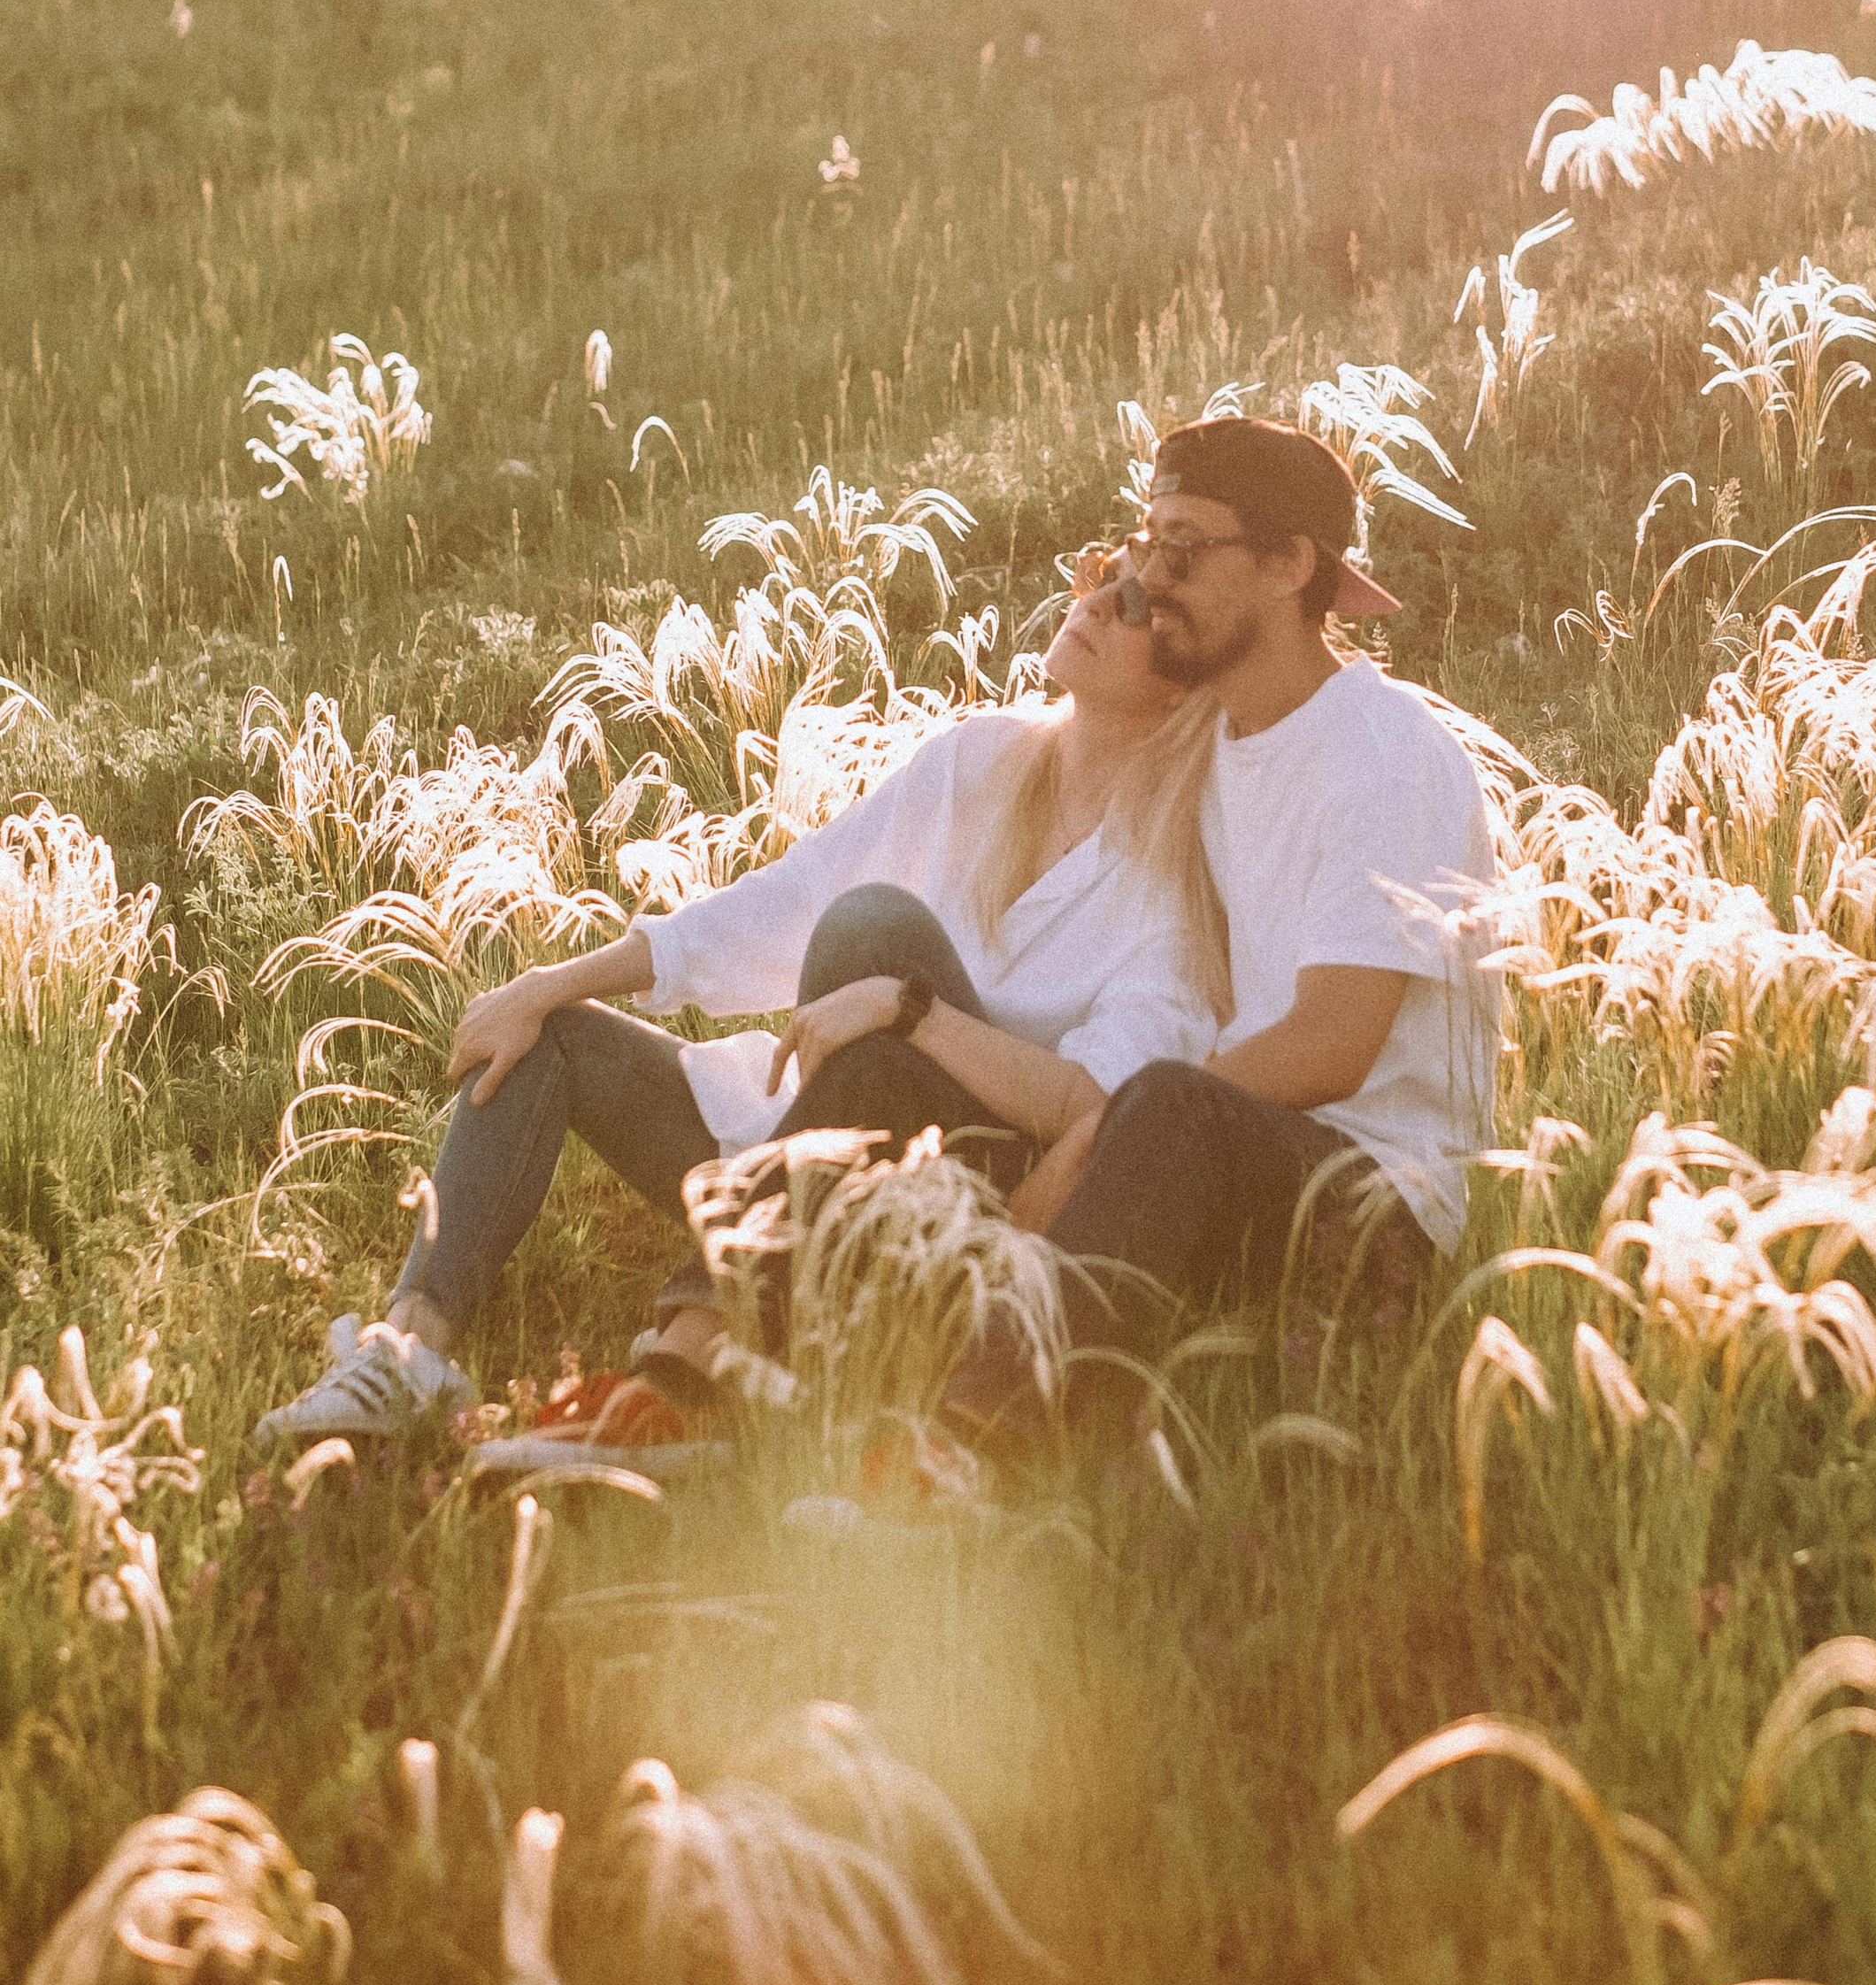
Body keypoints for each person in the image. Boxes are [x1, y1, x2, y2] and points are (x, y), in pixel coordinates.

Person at [255, 575, 1224, 1449]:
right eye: (1101, 576)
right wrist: (548, 984)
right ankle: (406, 1353)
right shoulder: (983, 761)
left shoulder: (1178, 887)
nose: (1092, 599)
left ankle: (693, 1360)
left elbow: (1091, 1104)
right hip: (794, 1143)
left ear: (1181, 681)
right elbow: (791, 896)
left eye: (1131, 604)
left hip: (953, 1202)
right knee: (545, 1038)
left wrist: (908, 1009)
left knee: (874, 928)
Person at [943, 416, 1500, 1441]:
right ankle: (738, 1378)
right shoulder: (1210, 755)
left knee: (1162, 1111)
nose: (1152, 578)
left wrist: (1095, 1134)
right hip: (1227, 1163)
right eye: (1145, 543)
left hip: (1372, 1210)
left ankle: (968, 1451)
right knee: (946, 1098)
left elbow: (1334, 1045)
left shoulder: (1382, 754)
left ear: (1290, 565)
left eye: (1186, 549)